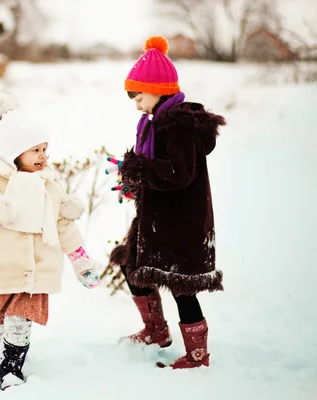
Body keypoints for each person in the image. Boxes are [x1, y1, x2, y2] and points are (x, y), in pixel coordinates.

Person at [0, 91, 101, 389]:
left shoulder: (49, 186)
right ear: (13, 151)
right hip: (0, 267)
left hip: (35, 270)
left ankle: (11, 367)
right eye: (35, 150)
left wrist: (80, 259)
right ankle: (6, 353)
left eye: (44, 149)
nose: (43, 156)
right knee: (3, 319)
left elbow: (64, 225)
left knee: (19, 320)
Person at [109, 36, 226, 369]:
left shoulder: (179, 127)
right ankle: (156, 329)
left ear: (158, 90)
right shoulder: (156, 124)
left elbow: (178, 173)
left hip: (179, 221)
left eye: (139, 96)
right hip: (156, 217)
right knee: (132, 265)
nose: (136, 104)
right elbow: (159, 172)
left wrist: (139, 168)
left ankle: (197, 354)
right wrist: (135, 181)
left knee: (181, 287)